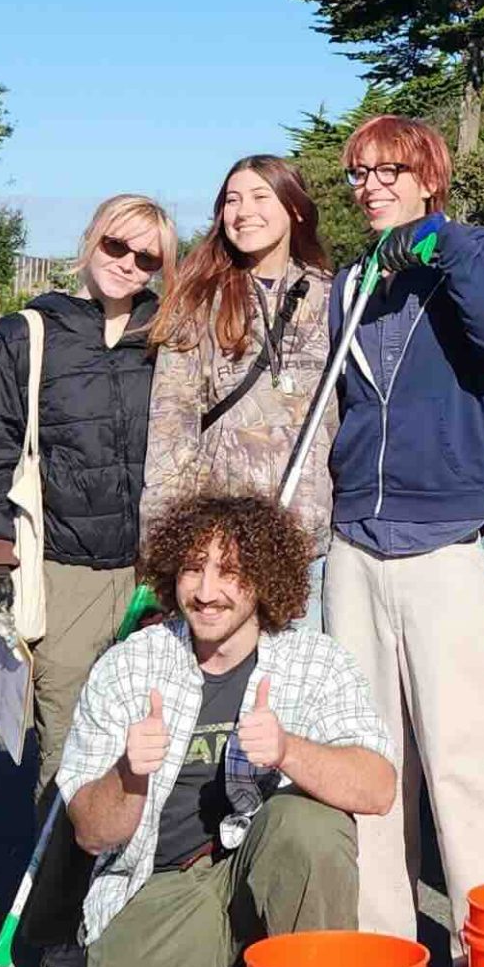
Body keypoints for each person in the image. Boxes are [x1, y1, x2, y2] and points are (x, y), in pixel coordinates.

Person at [59, 493, 394, 967]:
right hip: (160, 881)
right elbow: (89, 831)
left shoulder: (313, 660)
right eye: (193, 567)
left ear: (264, 580)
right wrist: (130, 776)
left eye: (229, 570)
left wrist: (290, 750)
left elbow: (377, 788)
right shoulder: (129, 668)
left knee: (308, 825)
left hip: (261, 867)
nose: (207, 590)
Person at [319, 114, 484, 949]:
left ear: (427, 179)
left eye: (388, 171)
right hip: (354, 540)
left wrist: (435, 245)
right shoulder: (350, 279)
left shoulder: (473, 252)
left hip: (439, 536)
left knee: (466, 753)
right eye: (359, 174)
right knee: (371, 759)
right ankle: (383, 943)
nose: (371, 187)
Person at [0, 194, 176, 967]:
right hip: (68, 569)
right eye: (119, 244)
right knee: (71, 750)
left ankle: (140, 923)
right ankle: (58, 925)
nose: (129, 263)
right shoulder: (29, 333)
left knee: (156, 745)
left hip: (160, 573)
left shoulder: (173, 336)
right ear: (91, 239)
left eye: (149, 256)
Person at [144, 156, 339, 624]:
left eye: (259, 196)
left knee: (294, 693)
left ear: (294, 208)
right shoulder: (199, 299)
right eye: (232, 200)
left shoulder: (335, 298)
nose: (242, 211)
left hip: (309, 548)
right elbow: (170, 429)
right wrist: (158, 559)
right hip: (219, 551)